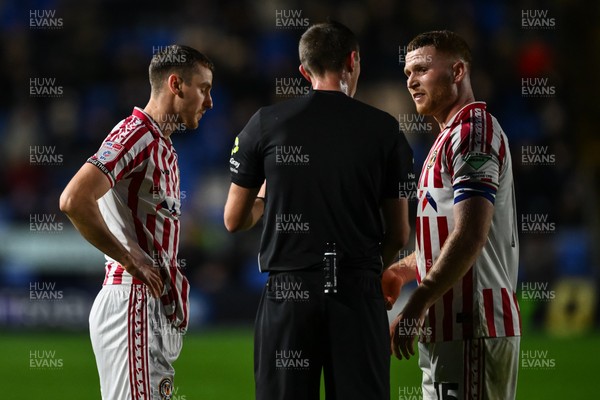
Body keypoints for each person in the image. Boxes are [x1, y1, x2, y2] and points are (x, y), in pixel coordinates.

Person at [224, 20, 414, 400]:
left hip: (289, 294)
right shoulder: (385, 130)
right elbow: (399, 233)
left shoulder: (265, 124)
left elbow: (233, 220)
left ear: (303, 70)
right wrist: (371, 267)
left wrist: (264, 197)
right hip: (357, 292)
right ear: (353, 61)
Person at [59, 45, 213, 400]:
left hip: (148, 306)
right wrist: (130, 258)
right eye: (203, 89)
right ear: (176, 84)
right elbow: (73, 199)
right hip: (131, 299)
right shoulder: (136, 133)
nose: (209, 102)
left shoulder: (164, 146)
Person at [383, 30, 521, 399]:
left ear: (457, 71)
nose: (411, 80)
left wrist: (416, 302)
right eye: (407, 72)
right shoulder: (447, 137)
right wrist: (404, 268)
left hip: (473, 324)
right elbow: (448, 238)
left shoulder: (474, 133)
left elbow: (471, 235)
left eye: (422, 69)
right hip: (449, 328)